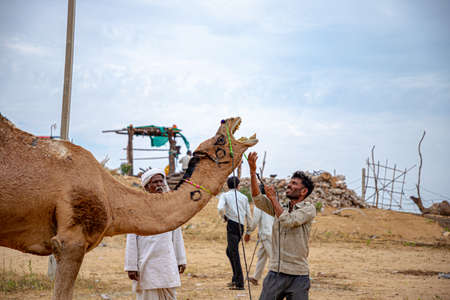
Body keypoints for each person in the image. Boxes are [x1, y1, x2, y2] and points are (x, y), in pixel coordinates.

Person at [247, 152, 316, 300]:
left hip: (298, 275)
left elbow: (289, 221)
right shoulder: (282, 206)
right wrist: (252, 172)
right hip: (275, 273)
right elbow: (258, 200)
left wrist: (272, 198)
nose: (289, 185)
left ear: (304, 191)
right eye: (290, 182)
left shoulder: (309, 209)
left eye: (294, 184)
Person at [125, 169, 187, 300]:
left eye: (161, 181)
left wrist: (181, 259)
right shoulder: (138, 209)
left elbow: (177, 236)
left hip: (167, 262)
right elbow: (131, 239)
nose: (160, 184)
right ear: (147, 186)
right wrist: (131, 266)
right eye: (155, 182)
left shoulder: (170, 208)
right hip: (147, 263)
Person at [217, 176, 253, 290]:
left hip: (232, 225)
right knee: (229, 251)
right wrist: (248, 231)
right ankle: (235, 278)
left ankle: (239, 283)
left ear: (228, 186)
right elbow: (249, 215)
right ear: (238, 186)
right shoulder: (244, 197)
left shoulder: (225, 195)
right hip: (241, 227)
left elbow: (219, 208)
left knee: (234, 253)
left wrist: (224, 217)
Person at [244, 205, 274, 286]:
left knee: (273, 258)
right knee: (262, 256)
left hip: (266, 234)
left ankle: (275, 280)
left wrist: (248, 232)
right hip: (270, 233)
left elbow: (255, 220)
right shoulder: (272, 200)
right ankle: (256, 278)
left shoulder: (259, 203)